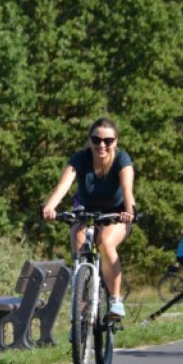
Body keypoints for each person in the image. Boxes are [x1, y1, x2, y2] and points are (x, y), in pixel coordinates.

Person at [41, 117, 136, 319]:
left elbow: (128, 190)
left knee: (105, 242)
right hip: (86, 211)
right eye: (96, 140)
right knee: (78, 239)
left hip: (116, 213)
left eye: (108, 141)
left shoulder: (122, 160)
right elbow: (62, 187)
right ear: (89, 140)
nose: (102, 145)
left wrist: (129, 212)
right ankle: (81, 309)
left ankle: (115, 300)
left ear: (116, 142)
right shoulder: (81, 159)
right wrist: (50, 207)